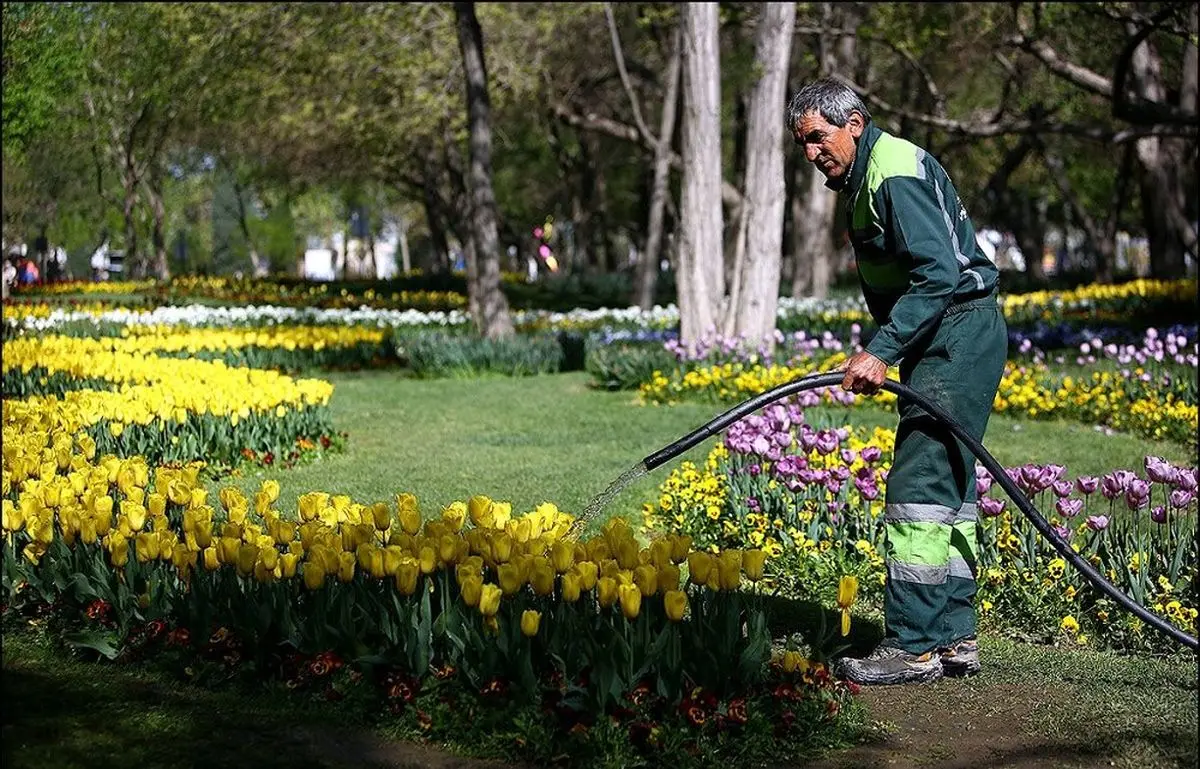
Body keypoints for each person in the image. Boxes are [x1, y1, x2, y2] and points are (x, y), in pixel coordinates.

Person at [786, 78, 1007, 685]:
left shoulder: (892, 172)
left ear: (853, 124)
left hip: (958, 331)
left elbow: (937, 275)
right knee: (952, 489)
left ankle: (913, 646)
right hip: (951, 336)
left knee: (920, 485)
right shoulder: (866, 176)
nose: (810, 153)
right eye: (802, 143)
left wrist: (881, 352)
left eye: (817, 137)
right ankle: (953, 638)